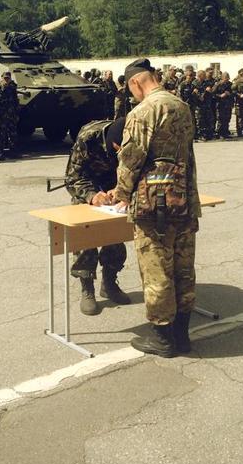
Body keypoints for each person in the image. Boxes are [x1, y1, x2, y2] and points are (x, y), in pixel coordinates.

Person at [111, 58, 201, 358]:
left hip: (154, 206)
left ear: (136, 82)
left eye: (130, 89)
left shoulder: (143, 112)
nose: (132, 95)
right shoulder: (181, 105)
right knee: (183, 268)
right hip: (184, 199)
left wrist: (121, 193)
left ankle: (163, 339)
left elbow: (130, 159)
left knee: (157, 270)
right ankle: (182, 336)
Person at [64, 117, 130, 315]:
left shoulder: (134, 137)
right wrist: (92, 196)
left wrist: (121, 190)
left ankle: (109, 283)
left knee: (116, 237)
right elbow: (73, 178)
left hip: (114, 191)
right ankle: (87, 289)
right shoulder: (88, 138)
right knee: (85, 240)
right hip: (89, 189)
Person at [0, 71, 19, 159]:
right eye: (5, 78)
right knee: (1, 135)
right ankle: (1, 153)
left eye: (8, 78)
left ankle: (13, 152)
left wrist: (16, 114)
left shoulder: (12, 87)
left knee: (12, 134)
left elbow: (16, 101)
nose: (6, 80)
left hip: (11, 115)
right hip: (1, 116)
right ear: (2, 78)